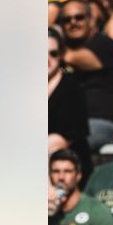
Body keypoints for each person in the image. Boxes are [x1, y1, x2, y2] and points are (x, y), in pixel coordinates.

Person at [58, 0, 113, 151]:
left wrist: (52, 45)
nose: (73, 22)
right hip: (69, 123)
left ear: (91, 20)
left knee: (69, 144)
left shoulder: (104, 44)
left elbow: (83, 59)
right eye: (67, 19)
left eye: (79, 17)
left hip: (102, 123)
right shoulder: (60, 53)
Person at [49, 28, 90, 168]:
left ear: (61, 55)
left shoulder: (72, 87)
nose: (47, 59)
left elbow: (66, 138)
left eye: (53, 54)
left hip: (67, 166)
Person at [49, 150, 113, 225]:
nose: (61, 177)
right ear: (50, 176)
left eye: (67, 171)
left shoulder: (96, 211)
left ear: (78, 176)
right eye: (56, 171)